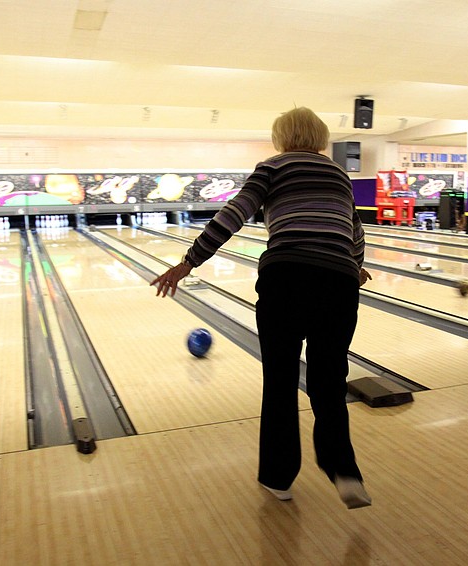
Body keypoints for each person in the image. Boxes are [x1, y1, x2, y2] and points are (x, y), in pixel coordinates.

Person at [152, 107, 372, 509]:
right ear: (321, 137)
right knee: (329, 380)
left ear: (281, 137)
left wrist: (188, 262)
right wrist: (354, 266)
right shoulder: (338, 173)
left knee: (281, 380)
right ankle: (344, 471)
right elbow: (353, 228)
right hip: (338, 282)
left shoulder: (272, 166)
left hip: (285, 277)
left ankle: (278, 477)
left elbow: (233, 213)